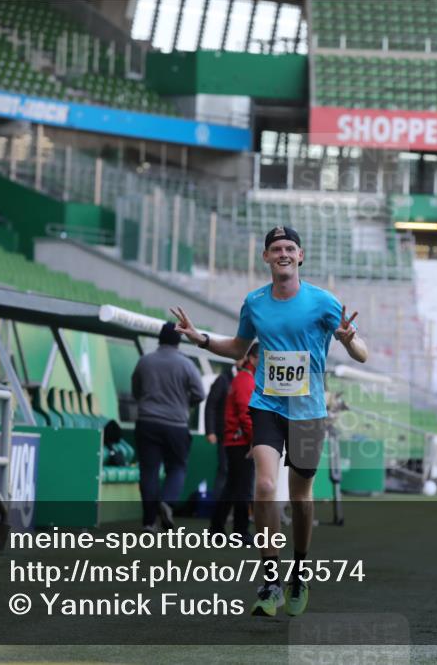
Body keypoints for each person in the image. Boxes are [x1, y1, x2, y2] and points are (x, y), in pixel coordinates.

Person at [170, 225, 368, 618]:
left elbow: (362, 352)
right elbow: (239, 348)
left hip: (309, 412)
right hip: (268, 406)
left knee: (301, 498)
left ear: (300, 256)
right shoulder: (254, 303)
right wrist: (202, 339)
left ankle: (299, 570)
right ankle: (270, 580)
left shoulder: (324, 302)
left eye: (289, 248)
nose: (283, 253)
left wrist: (347, 339)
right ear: (265, 257)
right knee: (264, 484)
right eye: (276, 248)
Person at [131, 321, 205, 532]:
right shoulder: (186, 364)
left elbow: (136, 390)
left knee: (149, 471)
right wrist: (185, 405)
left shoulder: (145, 362)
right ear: (178, 341)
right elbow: (200, 394)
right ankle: (168, 501)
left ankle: (148, 522)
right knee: (177, 467)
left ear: (159, 339)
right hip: (176, 424)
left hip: (146, 422)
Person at [209, 342, 259, 538]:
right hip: (241, 442)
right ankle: (240, 531)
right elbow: (246, 414)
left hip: (236, 440)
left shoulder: (243, 378)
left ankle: (217, 529)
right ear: (254, 358)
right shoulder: (245, 380)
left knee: (233, 487)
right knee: (243, 488)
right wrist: (254, 439)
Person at [204, 357, 243, 498]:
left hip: (245, 434)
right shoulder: (223, 379)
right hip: (226, 433)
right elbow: (211, 405)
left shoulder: (252, 378)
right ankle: (218, 509)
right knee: (225, 468)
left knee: (244, 472)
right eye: (241, 356)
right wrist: (210, 431)